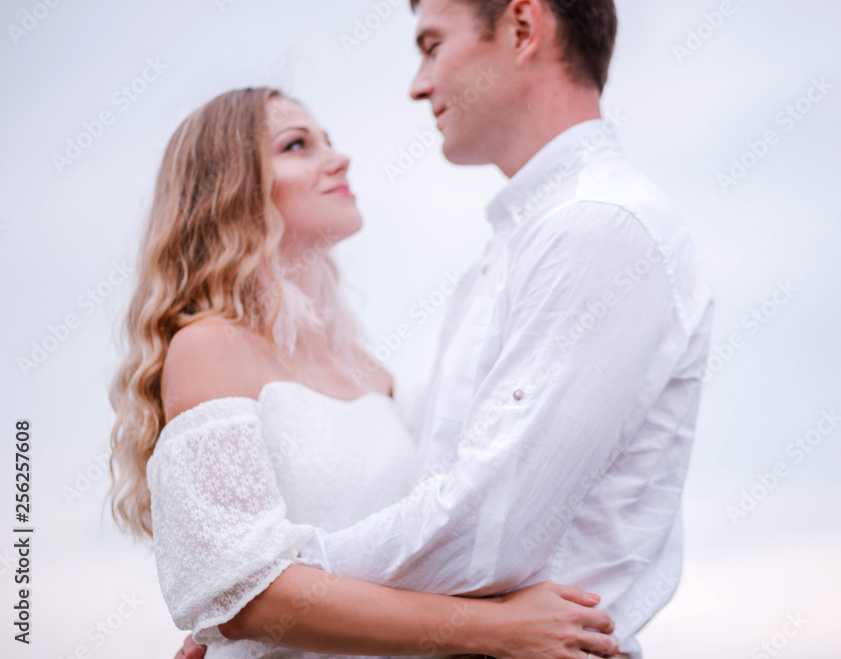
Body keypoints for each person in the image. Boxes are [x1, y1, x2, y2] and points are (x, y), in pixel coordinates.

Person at [181, 0, 714, 657]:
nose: (417, 85)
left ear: (522, 28)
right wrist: (249, 596)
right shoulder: (505, 255)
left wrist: (260, 596)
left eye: (432, 45)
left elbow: (489, 530)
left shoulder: (598, 225)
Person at [107, 86, 621, 658]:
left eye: (329, 140)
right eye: (297, 145)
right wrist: (500, 630)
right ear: (230, 190)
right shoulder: (209, 349)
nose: (339, 157)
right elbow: (245, 597)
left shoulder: (374, 375)